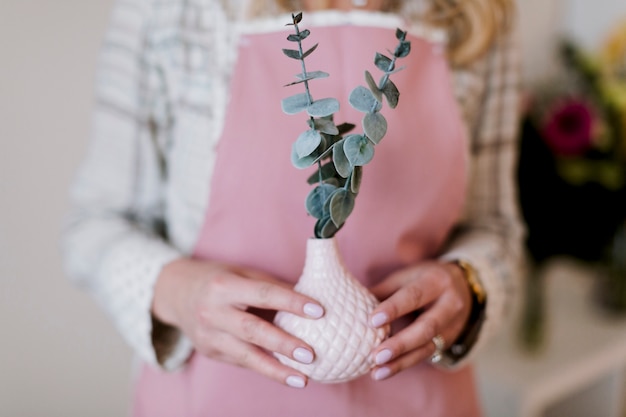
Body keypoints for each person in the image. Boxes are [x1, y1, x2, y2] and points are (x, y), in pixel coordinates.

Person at [63, 0, 524, 415]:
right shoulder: (168, 11)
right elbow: (94, 226)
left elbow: (496, 226)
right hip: (213, 397)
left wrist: (471, 285)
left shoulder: (476, 15)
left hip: (416, 395)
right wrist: (178, 291)